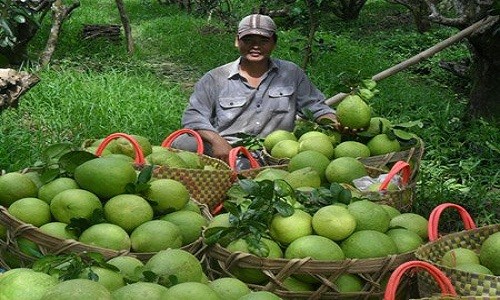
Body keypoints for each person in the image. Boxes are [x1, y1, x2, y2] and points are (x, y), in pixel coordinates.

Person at [172, 14, 338, 164]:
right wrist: (216, 140)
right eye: (248, 40)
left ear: (274, 43)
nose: (255, 46)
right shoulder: (216, 78)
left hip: (275, 154)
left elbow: (316, 106)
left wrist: (335, 122)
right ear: (237, 41)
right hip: (227, 153)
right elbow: (193, 116)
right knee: (183, 142)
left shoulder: (291, 73)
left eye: (263, 41)